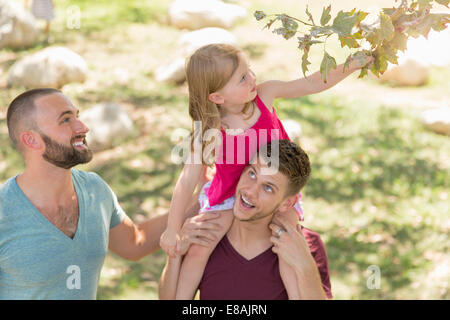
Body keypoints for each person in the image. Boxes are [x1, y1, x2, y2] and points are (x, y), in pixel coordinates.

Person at [160, 43, 372, 299]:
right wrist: (172, 229)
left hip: (274, 190)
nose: (252, 78)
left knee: (286, 239)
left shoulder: (264, 96)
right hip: (230, 196)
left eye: (248, 70)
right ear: (217, 97)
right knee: (199, 249)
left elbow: (312, 83)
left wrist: (352, 64)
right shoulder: (210, 131)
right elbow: (186, 181)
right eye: (241, 78)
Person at [0, 88, 197, 299]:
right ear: (31, 140)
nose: (83, 127)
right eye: (66, 120)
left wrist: (200, 199)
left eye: (77, 116)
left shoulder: (95, 190)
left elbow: (134, 243)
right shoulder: (5, 212)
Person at [159, 140, 332, 299]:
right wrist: (175, 253)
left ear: (287, 203)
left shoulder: (306, 246)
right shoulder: (205, 232)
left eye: (268, 188)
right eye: (252, 174)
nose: (250, 191)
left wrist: (306, 267)